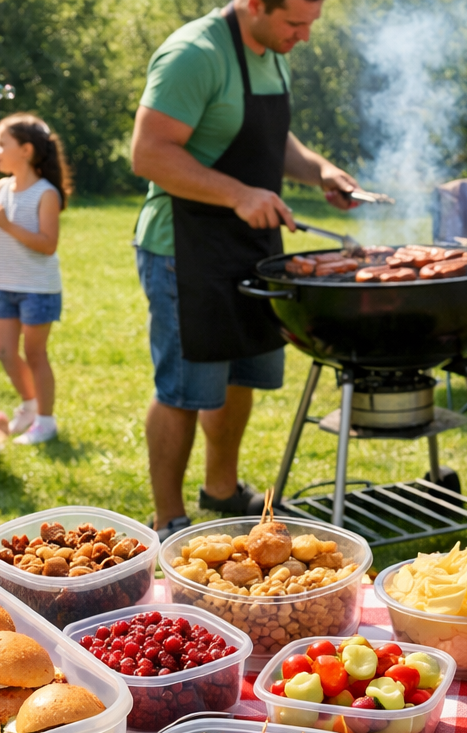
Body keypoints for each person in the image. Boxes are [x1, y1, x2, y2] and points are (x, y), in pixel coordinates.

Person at [131, 0, 359, 538]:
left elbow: (267, 138)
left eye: (310, 23)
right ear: (255, 4)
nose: (303, 37)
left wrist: (319, 170)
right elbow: (149, 154)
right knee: (185, 387)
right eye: (294, 23)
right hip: (184, 246)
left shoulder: (271, 48)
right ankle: (168, 517)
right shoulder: (195, 54)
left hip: (249, 240)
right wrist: (237, 194)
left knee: (239, 372)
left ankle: (221, 488)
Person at [0, 113, 71, 446]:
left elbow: (47, 244)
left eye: (1, 144)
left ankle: (46, 420)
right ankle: (29, 405)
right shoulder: (1, 186)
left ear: (25, 150)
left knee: (35, 354)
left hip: (37, 289)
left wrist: (9, 226)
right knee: (5, 351)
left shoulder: (45, 193)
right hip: (6, 285)